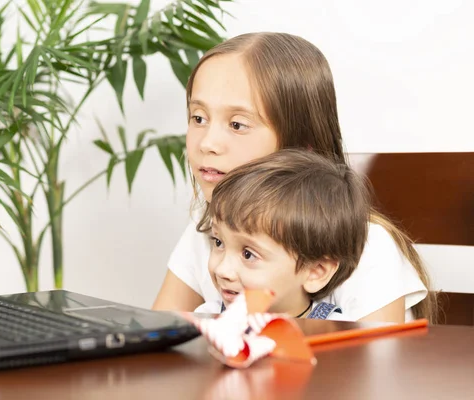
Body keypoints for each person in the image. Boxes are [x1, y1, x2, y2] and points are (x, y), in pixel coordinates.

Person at [152, 32, 437, 323]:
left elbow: (378, 363)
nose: (207, 143)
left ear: (301, 147)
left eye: (237, 124)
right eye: (198, 117)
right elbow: (158, 333)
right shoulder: (210, 228)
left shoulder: (369, 247)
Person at [194, 149, 372, 320]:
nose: (222, 270)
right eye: (218, 242)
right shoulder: (208, 317)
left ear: (315, 272)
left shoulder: (335, 330)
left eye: (248, 254)